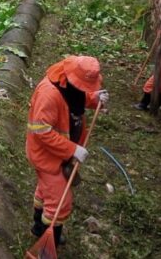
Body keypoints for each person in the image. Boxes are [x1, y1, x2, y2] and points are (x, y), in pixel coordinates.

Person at [26, 56, 109, 246]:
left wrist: (95, 99)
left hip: (57, 155)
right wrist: (72, 149)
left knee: (45, 190)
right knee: (59, 202)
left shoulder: (67, 81)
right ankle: (50, 240)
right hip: (47, 156)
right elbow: (42, 131)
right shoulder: (49, 94)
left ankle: (38, 226)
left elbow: (78, 95)